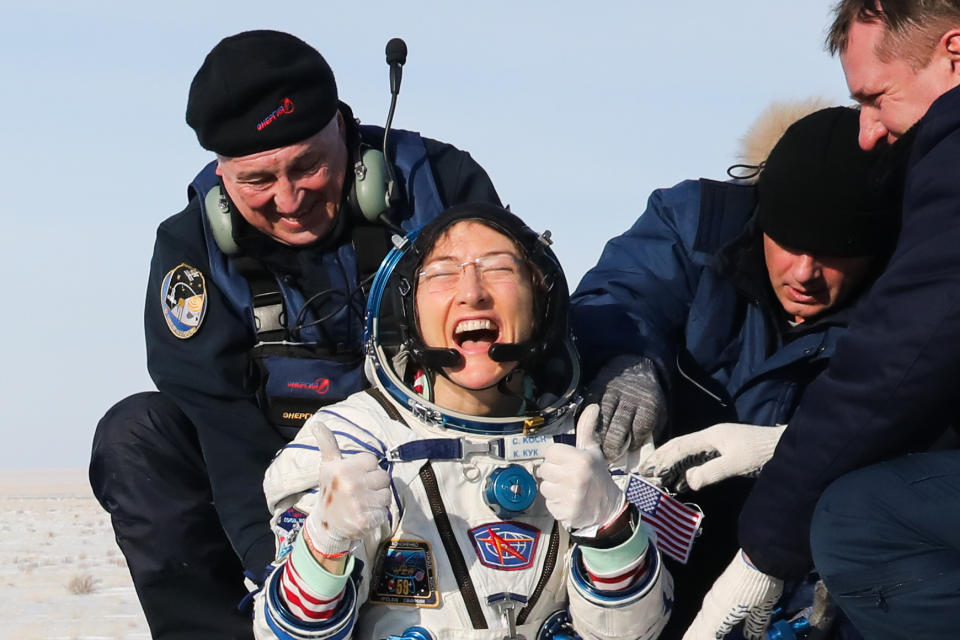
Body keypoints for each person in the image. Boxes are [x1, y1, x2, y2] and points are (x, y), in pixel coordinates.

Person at [88, 30, 501, 639]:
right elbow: (226, 442)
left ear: (347, 133)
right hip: (276, 482)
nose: (289, 199)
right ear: (223, 177)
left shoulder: (441, 191)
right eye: (258, 181)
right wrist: (291, 585)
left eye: (308, 165)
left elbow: (520, 346)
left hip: (440, 474)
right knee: (136, 435)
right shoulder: (191, 254)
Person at [251, 203, 672, 640]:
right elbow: (286, 635)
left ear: (540, 300)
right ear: (408, 309)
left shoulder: (594, 442)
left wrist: (610, 530)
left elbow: (631, 634)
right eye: (442, 272)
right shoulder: (358, 441)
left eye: (498, 269)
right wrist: (326, 542)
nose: (472, 292)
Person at [679, 1, 960, 638]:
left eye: (876, 96)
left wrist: (762, 555)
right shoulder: (691, 231)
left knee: (861, 519)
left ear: (954, 52)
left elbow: (908, 351)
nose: (868, 131)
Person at [570, 106, 899, 639]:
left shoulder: (913, 303)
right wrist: (629, 359)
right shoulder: (694, 225)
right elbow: (619, 296)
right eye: (788, 239)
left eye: (835, 252)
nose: (804, 273)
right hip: (655, 556)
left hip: (801, 582)